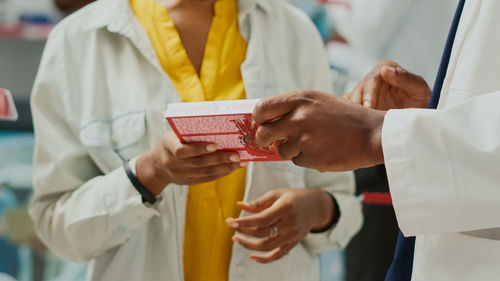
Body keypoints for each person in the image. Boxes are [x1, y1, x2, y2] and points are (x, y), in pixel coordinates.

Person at [28, 0, 362, 280]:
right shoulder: (77, 42)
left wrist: (316, 210)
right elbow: (57, 230)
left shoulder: (294, 32)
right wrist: (148, 174)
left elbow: (345, 206)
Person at [250, 0, 500, 280]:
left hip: (401, 152)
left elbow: (364, 29)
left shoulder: (295, 27)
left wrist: (377, 132)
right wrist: (428, 114)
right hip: (415, 147)